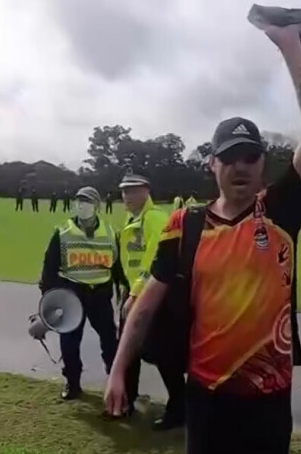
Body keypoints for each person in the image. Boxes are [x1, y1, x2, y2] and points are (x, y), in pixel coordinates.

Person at [106, 22, 301, 454]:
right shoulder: (185, 224)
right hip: (206, 398)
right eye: (229, 157)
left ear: (263, 163)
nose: (240, 166)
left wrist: (290, 47)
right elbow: (146, 303)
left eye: (250, 156)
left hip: (268, 399)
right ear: (212, 164)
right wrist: (119, 369)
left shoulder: (281, 210)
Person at [39, 186, 123, 400]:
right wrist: (49, 299)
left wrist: (125, 289)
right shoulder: (63, 233)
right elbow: (49, 269)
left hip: (100, 295)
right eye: (79, 200)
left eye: (86, 201)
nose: (81, 205)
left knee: (110, 341)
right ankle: (73, 383)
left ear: (97, 205)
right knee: (69, 342)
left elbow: (117, 266)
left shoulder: (110, 233)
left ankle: (114, 382)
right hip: (72, 295)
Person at [117, 174, 184, 430]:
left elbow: (155, 259)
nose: (127, 196)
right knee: (130, 350)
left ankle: (179, 407)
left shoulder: (154, 218)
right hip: (134, 292)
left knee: (163, 355)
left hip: (152, 296)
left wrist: (135, 293)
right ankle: (125, 401)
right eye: (124, 191)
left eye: (133, 191)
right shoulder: (132, 219)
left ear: (146, 191)